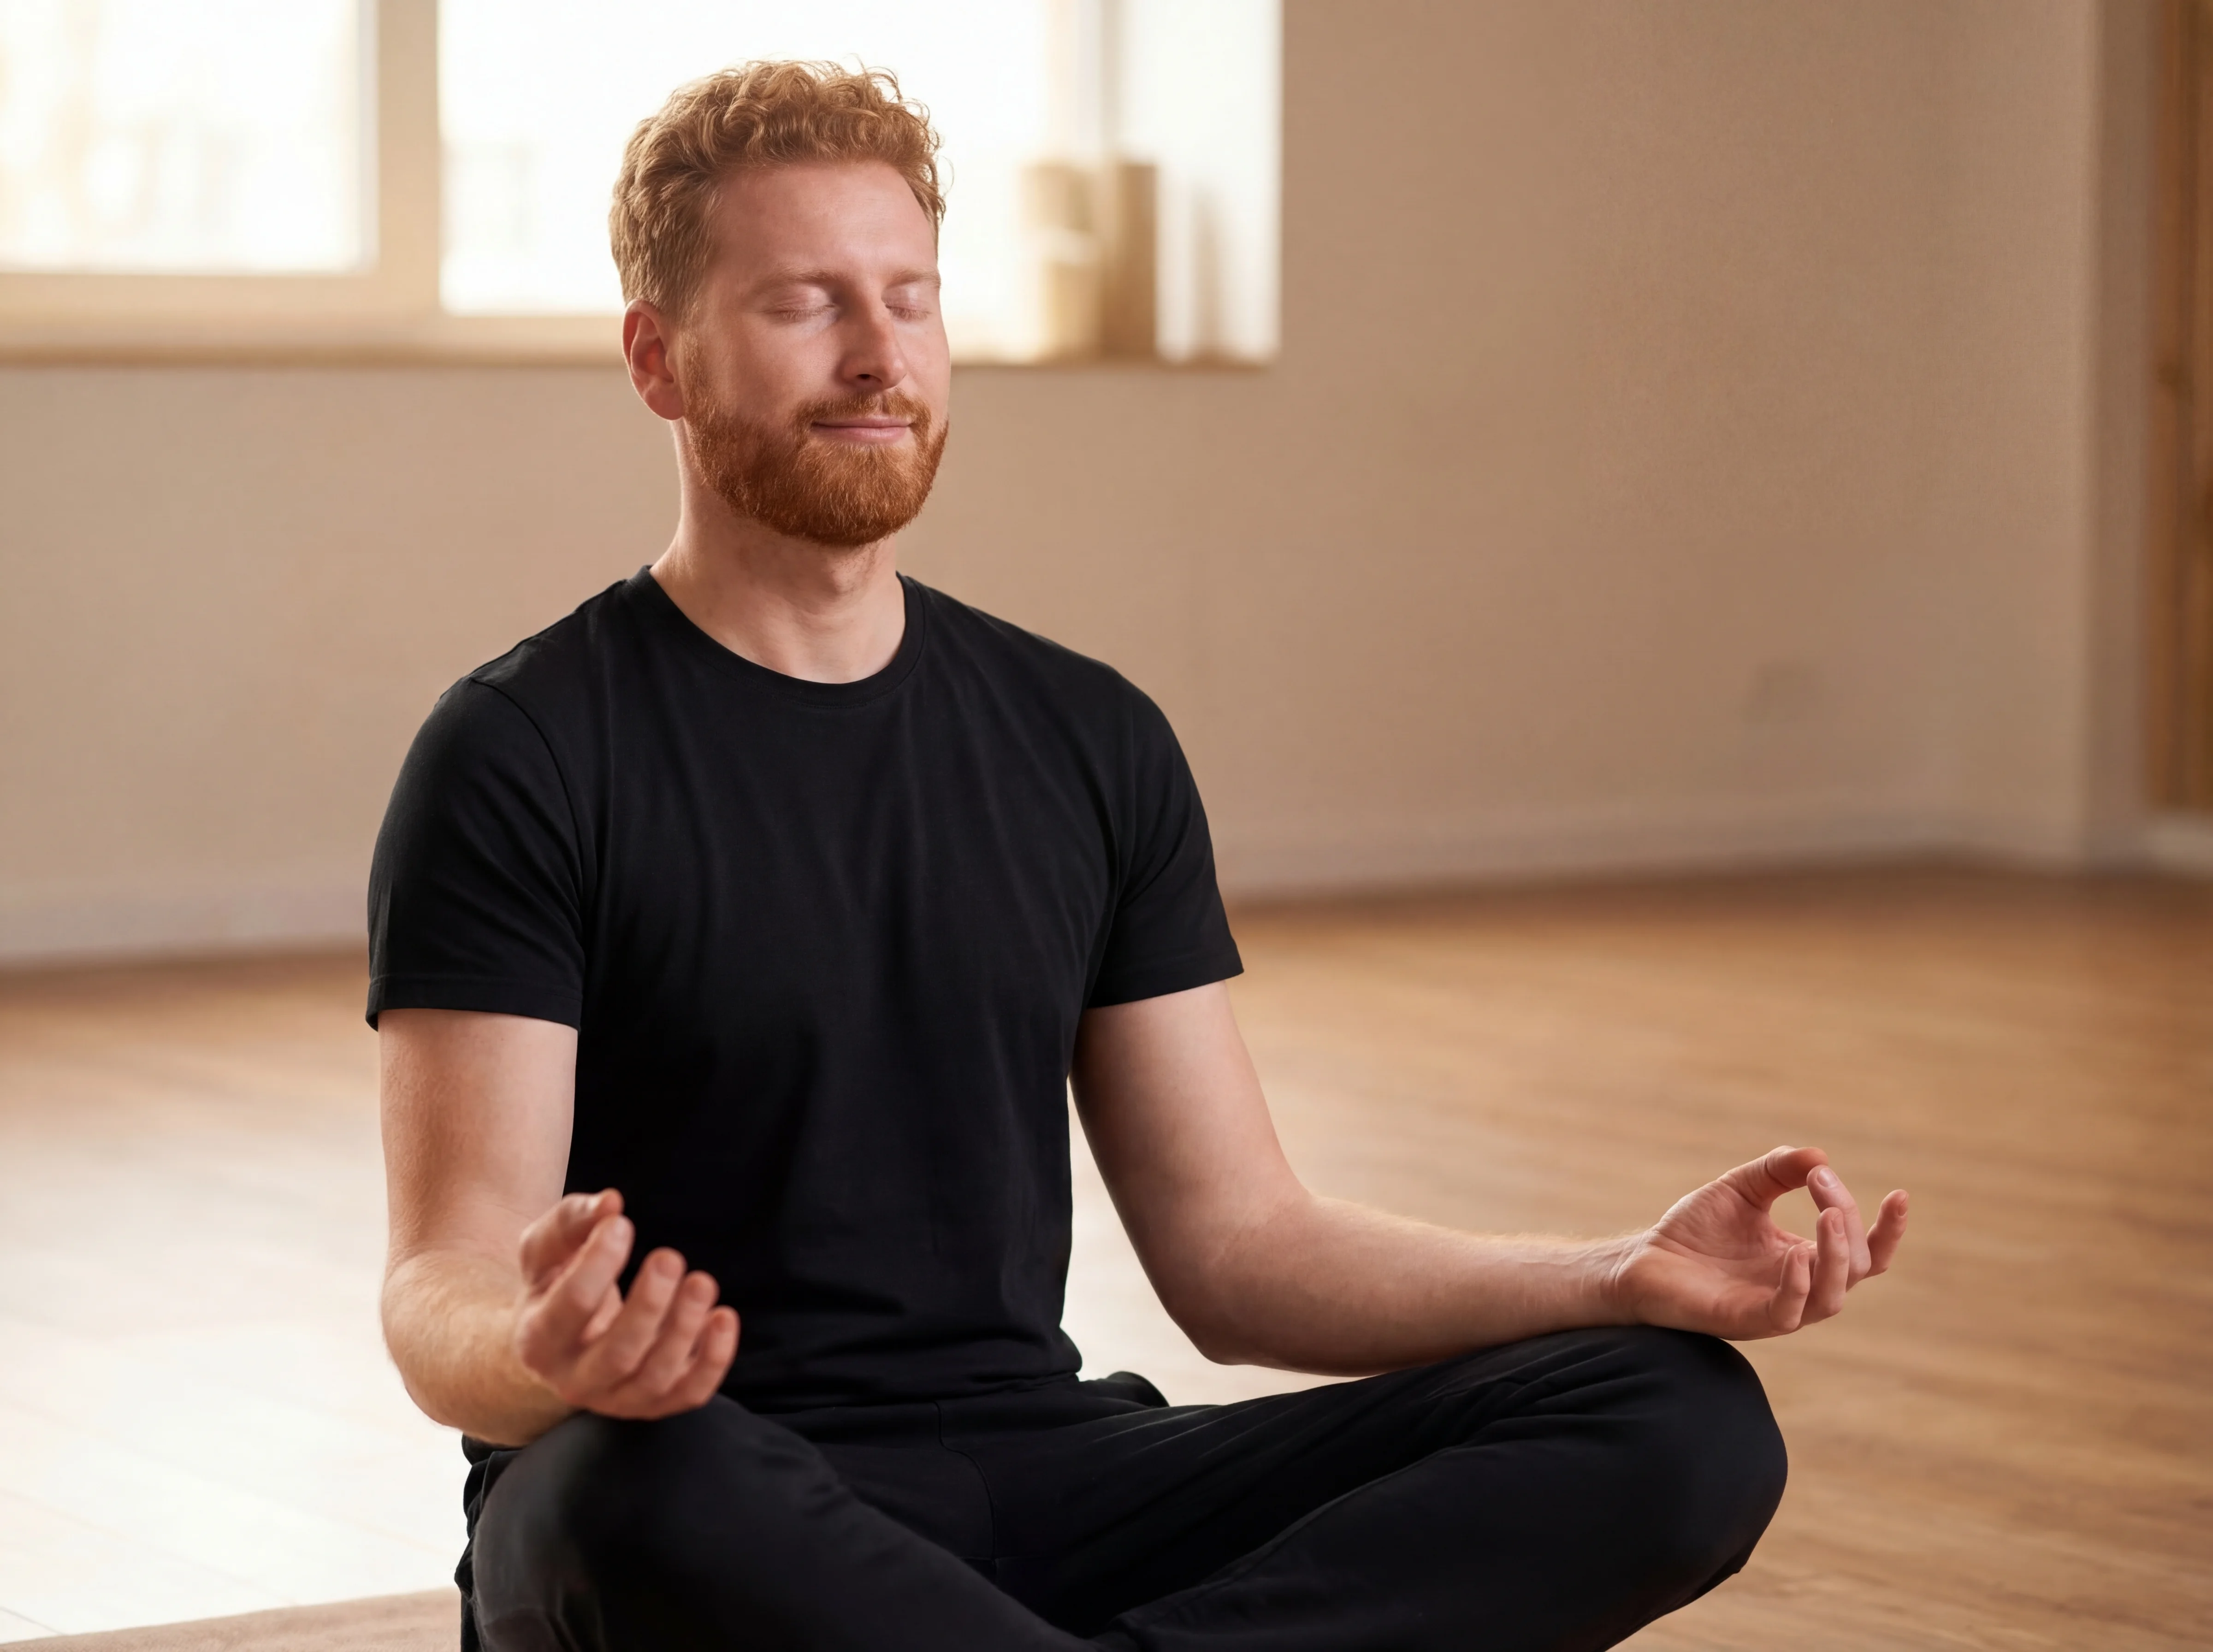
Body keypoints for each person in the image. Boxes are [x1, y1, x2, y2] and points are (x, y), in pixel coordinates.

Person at [371, 61, 1909, 1652]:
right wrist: (549, 1358)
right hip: (716, 1492)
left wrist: (1619, 1271)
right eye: (805, 303)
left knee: (1674, 1415)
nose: (880, 352)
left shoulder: (1085, 735)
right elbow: (441, 1282)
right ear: (659, 361)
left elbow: (1240, 1253)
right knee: (616, 1493)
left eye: (911, 297)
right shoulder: (523, 752)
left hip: (1046, 1479)